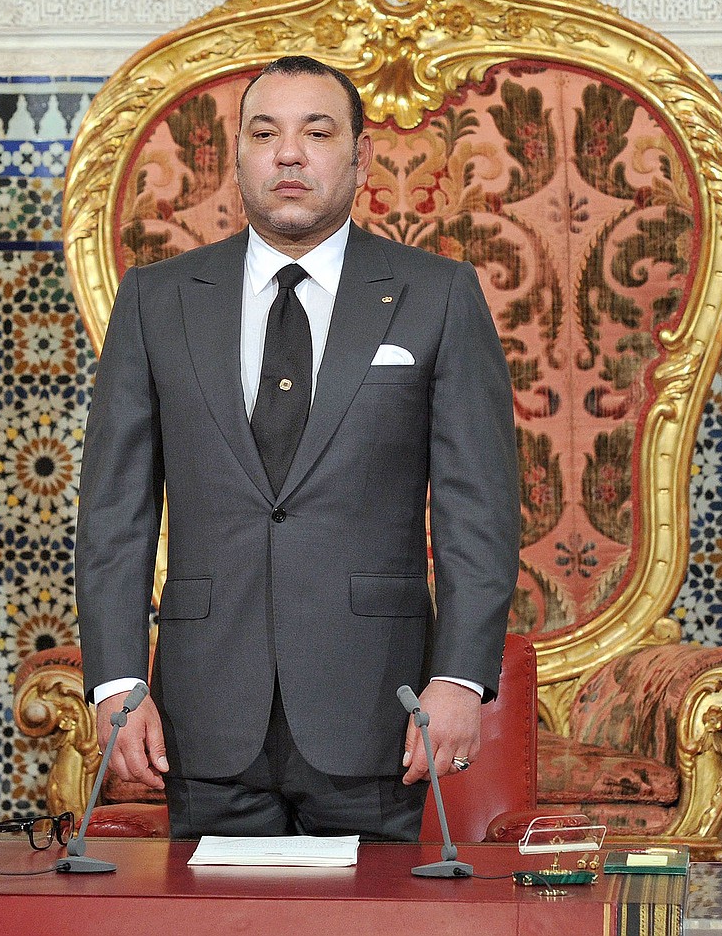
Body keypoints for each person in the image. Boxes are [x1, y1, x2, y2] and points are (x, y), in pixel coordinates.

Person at [74, 55, 520, 841]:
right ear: (237, 155)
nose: (289, 153)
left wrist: (458, 678)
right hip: (202, 717)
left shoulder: (437, 294)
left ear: (360, 156)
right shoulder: (157, 300)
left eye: (317, 131)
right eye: (265, 132)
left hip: (379, 711)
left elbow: (476, 508)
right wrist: (116, 680)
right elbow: (116, 512)